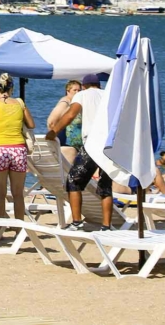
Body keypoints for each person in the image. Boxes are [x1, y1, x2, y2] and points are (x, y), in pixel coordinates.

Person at [47, 73, 111, 231]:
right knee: (105, 185)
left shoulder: (82, 95)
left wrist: (54, 132)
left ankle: (76, 223)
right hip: (109, 146)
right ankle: (106, 226)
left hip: (92, 145)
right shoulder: (108, 94)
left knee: (73, 181)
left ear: (84, 86)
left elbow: (70, 115)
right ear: (99, 85)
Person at [0, 73, 33, 220]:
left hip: (0, 150)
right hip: (18, 149)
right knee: (18, 194)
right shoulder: (20, 104)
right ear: (11, 88)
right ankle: (19, 228)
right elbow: (31, 124)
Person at [46, 79, 82, 164]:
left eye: (79, 90)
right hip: (65, 144)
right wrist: (54, 136)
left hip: (72, 144)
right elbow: (51, 122)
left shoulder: (74, 102)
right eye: (75, 90)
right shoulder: (65, 102)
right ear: (68, 91)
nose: (77, 92)